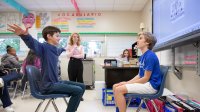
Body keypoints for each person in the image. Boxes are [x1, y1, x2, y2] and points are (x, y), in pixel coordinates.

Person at [8, 24, 85, 112]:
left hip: (55, 81)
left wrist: (66, 48)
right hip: (49, 86)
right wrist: (24, 35)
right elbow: (32, 43)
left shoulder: (54, 49)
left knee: (82, 86)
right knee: (78, 91)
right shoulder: (43, 47)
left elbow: (59, 50)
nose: (59, 38)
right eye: (57, 36)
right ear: (49, 36)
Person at [113, 32, 160, 112]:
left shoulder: (150, 56)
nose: (137, 40)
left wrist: (127, 83)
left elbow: (145, 78)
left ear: (147, 42)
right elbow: (139, 75)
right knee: (115, 86)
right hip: (146, 83)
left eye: (140, 38)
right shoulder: (142, 56)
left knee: (119, 90)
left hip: (151, 86)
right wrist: (127, 82)